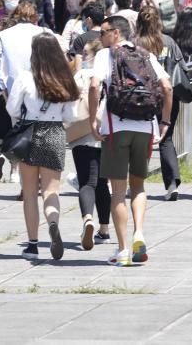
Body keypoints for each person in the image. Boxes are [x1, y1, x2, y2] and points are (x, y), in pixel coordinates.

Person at [87, 16, 172, 267]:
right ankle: (139, 234)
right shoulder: (147, 55)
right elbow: (167, 88)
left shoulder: (107, 55)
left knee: (117, 192)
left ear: (115, 33)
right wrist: (165, 122)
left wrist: (93, 120)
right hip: (146, 126)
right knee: (139, 186)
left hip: (116, 126)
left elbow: (94, 86)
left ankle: (123, 249)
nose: (100, 38)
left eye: (102, 33)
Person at [6, 34, 80, 261]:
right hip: (55, 133)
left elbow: (12, 109)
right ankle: (54, 223)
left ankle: (32, 244)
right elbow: (72, 115)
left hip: (30, 134)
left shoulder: (26, 78)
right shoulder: (65, 79)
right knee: (51, 191)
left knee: (30, 194)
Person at [0, 1, 50, 185]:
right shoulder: (42, 33)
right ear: (34, 16)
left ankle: (25, 181)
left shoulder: (4, 35)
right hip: (40, 87)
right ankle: (37, 178)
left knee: (20, 135)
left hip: (14, 89)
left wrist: (0, 83)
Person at [135, 6, 187, 201]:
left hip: (142, 98)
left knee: (141, 140)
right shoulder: (169, 42)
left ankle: (137, 182)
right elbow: (181, 67)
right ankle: (172, 183)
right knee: (166, 139)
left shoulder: (135, 43)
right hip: (168, 97)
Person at [67, 40, 112, 248]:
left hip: (81, 133)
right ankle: (104, 228)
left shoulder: (82, 75)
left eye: (85, 54)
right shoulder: (111, 73)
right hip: (105, 133)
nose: (82, 58)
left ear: (95, 54)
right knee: (102, 182)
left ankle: (87, 218)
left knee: (87, 181)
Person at [67, 2, 105, 71]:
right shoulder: (107, 37)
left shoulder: (81, 39)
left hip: (86, 78)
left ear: (88, 20)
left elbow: (78, 68)